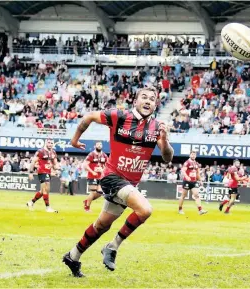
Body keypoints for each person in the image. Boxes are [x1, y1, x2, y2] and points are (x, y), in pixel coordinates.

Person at [62, 87, 174, 277]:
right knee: (145, 210)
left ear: (156, 104)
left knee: (101, 226)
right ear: (135, 101)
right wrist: (74, 140)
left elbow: (167, 158)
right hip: (112, 177)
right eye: (144, 97)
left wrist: (165, 140)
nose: (148, 101)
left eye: (152, 99)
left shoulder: (158, 127)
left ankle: (73, 256)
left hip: (129, 183)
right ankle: (112, 247)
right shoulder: (119, 116)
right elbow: (89, 116)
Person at [26, 139, 58, 213]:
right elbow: (33, 161)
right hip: (42, 172)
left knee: (43, 191)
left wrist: (56, 168)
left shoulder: (53, 152)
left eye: (51, 143)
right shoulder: (40, 151)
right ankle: (48, 208)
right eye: (49, 142)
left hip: (48, 172)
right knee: (46, 189)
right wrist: (30, 172)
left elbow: (55, 165)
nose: (50, 144)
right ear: (46, 143)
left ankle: (31, 202)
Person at [83, 142, 108, 212]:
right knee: (93, 192)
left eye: (100, 145)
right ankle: (87, 208)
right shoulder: (91, 154)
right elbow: (85, 165)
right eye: (98, 145)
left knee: (100, 192)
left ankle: (87, 201)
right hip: (92, 176)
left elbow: (108, 166)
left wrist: (103, 170)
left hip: (101, 177)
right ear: (95, 146)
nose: (99, 146)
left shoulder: (104, 155)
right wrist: (92, 172)